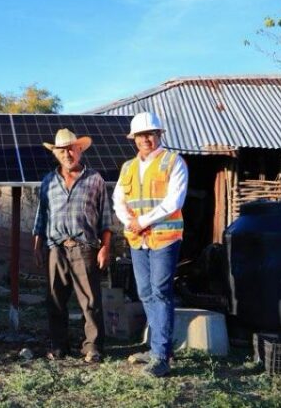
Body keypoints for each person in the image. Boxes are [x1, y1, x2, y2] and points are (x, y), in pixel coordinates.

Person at [113, 112, 188, 377]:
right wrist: (130, 222)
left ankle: (162, 354)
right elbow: (118, 201)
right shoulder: (128, 167)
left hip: (164, 238)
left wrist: (142, 220)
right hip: (138, 239)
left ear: (159, 135)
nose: (146, 139)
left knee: (161, 291)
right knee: (145, 291)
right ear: (134, 139)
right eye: (141, 135)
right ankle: (158, 349)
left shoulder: (173, 162)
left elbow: (174, 201)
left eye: (151, 134)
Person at [32, 128, 112, 363]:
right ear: (55, 153)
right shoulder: (48, 181)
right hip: (55, 247)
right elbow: (41, 217)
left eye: (71, 149)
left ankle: (93, 347)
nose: (67, 154)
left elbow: (105, 217)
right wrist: (36, 246)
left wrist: (105, 247)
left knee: (90, 301)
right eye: (62, 150)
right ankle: (59, 346)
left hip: (85, 246)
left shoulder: (94, 179)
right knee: (55, 299)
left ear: (80, 150)